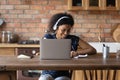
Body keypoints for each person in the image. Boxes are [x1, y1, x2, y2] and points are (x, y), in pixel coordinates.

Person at [38, 12, 96, 80]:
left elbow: (92, 50)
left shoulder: (73, 39)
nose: (66, 33)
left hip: (63, 74)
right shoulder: (48, 37)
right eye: (63, 30)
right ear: (56, 28)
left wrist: (77, 53)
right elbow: (43, 54)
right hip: (47, 73)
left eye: (68, 30)